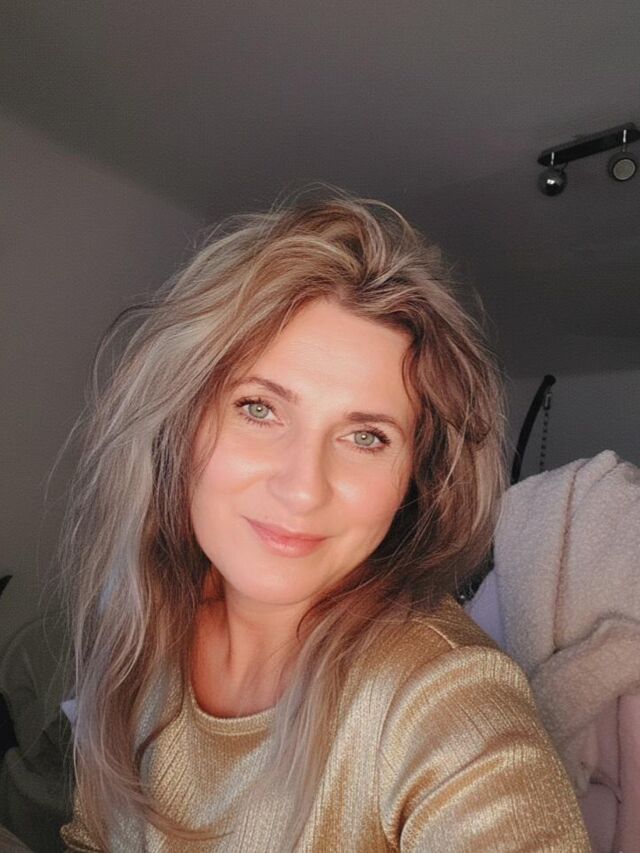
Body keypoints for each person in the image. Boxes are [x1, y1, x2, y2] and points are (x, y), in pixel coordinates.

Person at [58, 188, 590, 851]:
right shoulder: (142, 626)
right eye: (258, 408)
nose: (303, 488)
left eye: (366, 437)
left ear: (414, 477)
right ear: (182, 423)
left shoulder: (442, 694)